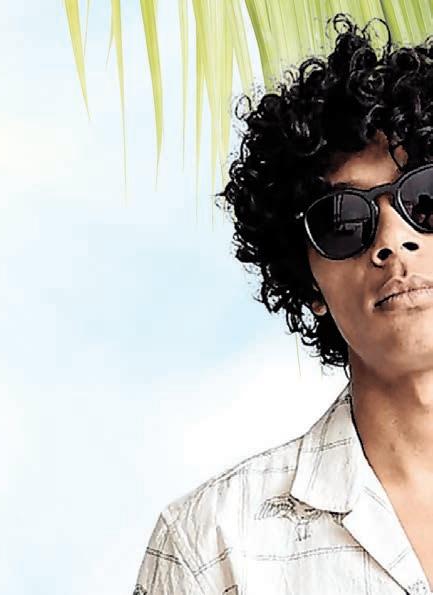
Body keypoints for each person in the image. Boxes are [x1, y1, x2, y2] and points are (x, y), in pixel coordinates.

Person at [133, 13, 433, 594]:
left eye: (426, 198)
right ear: (308, 282)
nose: (393, 241)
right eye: (343, 221)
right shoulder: (211, 543)